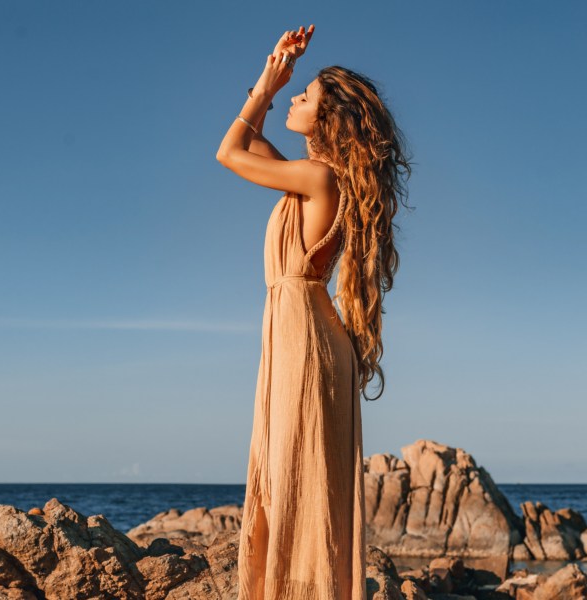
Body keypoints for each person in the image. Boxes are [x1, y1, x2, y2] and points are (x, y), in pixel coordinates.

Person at [216, 24, 412, 600]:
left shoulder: (319, 177)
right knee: (292, 478)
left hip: (304, 337)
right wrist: (273, 77)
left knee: (296, 477)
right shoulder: (310, 182)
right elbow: (251, 149)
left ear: (329, 121)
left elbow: (228, 152)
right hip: (302, 331)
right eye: (296, 93)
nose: (296, 99)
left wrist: (268, 84)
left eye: (307, 97)